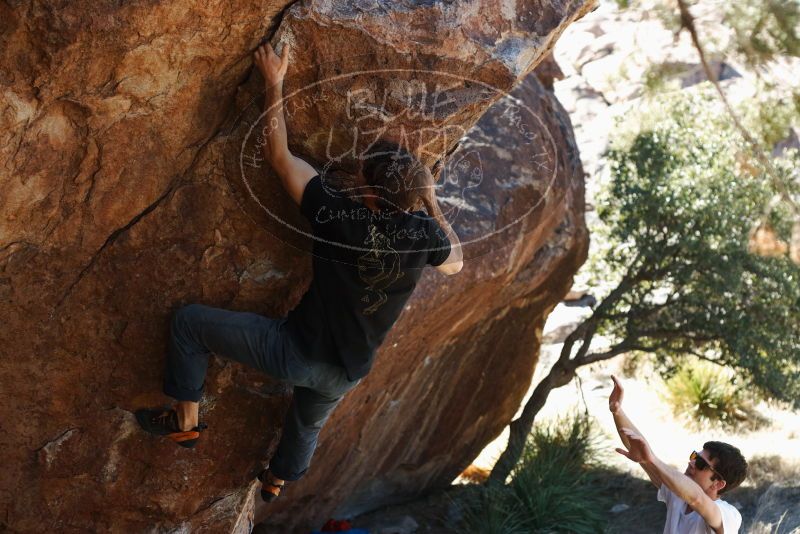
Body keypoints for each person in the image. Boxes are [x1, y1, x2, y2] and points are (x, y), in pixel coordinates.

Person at [134, 42, 464, 502]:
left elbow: (280, 156)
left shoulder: (338, 216)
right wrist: (430, 203)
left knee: (189, 324)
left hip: (294, 352)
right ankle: (278, 479)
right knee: (307, 421)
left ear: (368, 190)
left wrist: (274, 83)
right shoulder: (423, 234)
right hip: (348, 371)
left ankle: (185, 422)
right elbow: (455, 264)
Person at [609, 375, 747, 533]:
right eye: (694, 456)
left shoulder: (728, 515)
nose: (691, 462)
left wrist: (651, 460)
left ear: (718, 484)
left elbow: (697, 499)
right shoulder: (677, 495)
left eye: (701, 463)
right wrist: (617, 411)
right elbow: (639, 449)